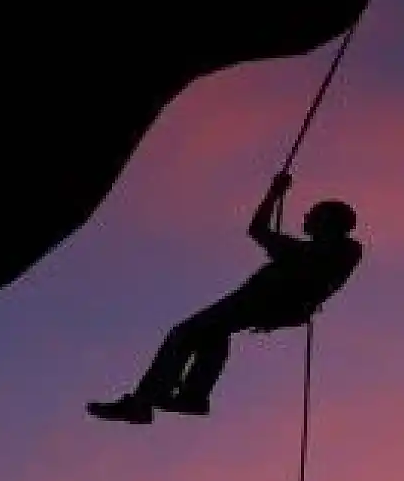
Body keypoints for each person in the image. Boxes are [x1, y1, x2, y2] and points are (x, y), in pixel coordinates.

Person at [87, 172, 363, 424]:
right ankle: (192, 396)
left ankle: (144, 402)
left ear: (327, 220)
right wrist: (274, 194)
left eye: (312, 215)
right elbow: (258, 230)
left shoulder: (342, 250)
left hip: (263, 302)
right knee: (212, 335)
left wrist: (277, 200)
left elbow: (311, 260)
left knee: (185, 333)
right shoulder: (308, 250)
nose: (305, 219)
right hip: (262, 302)